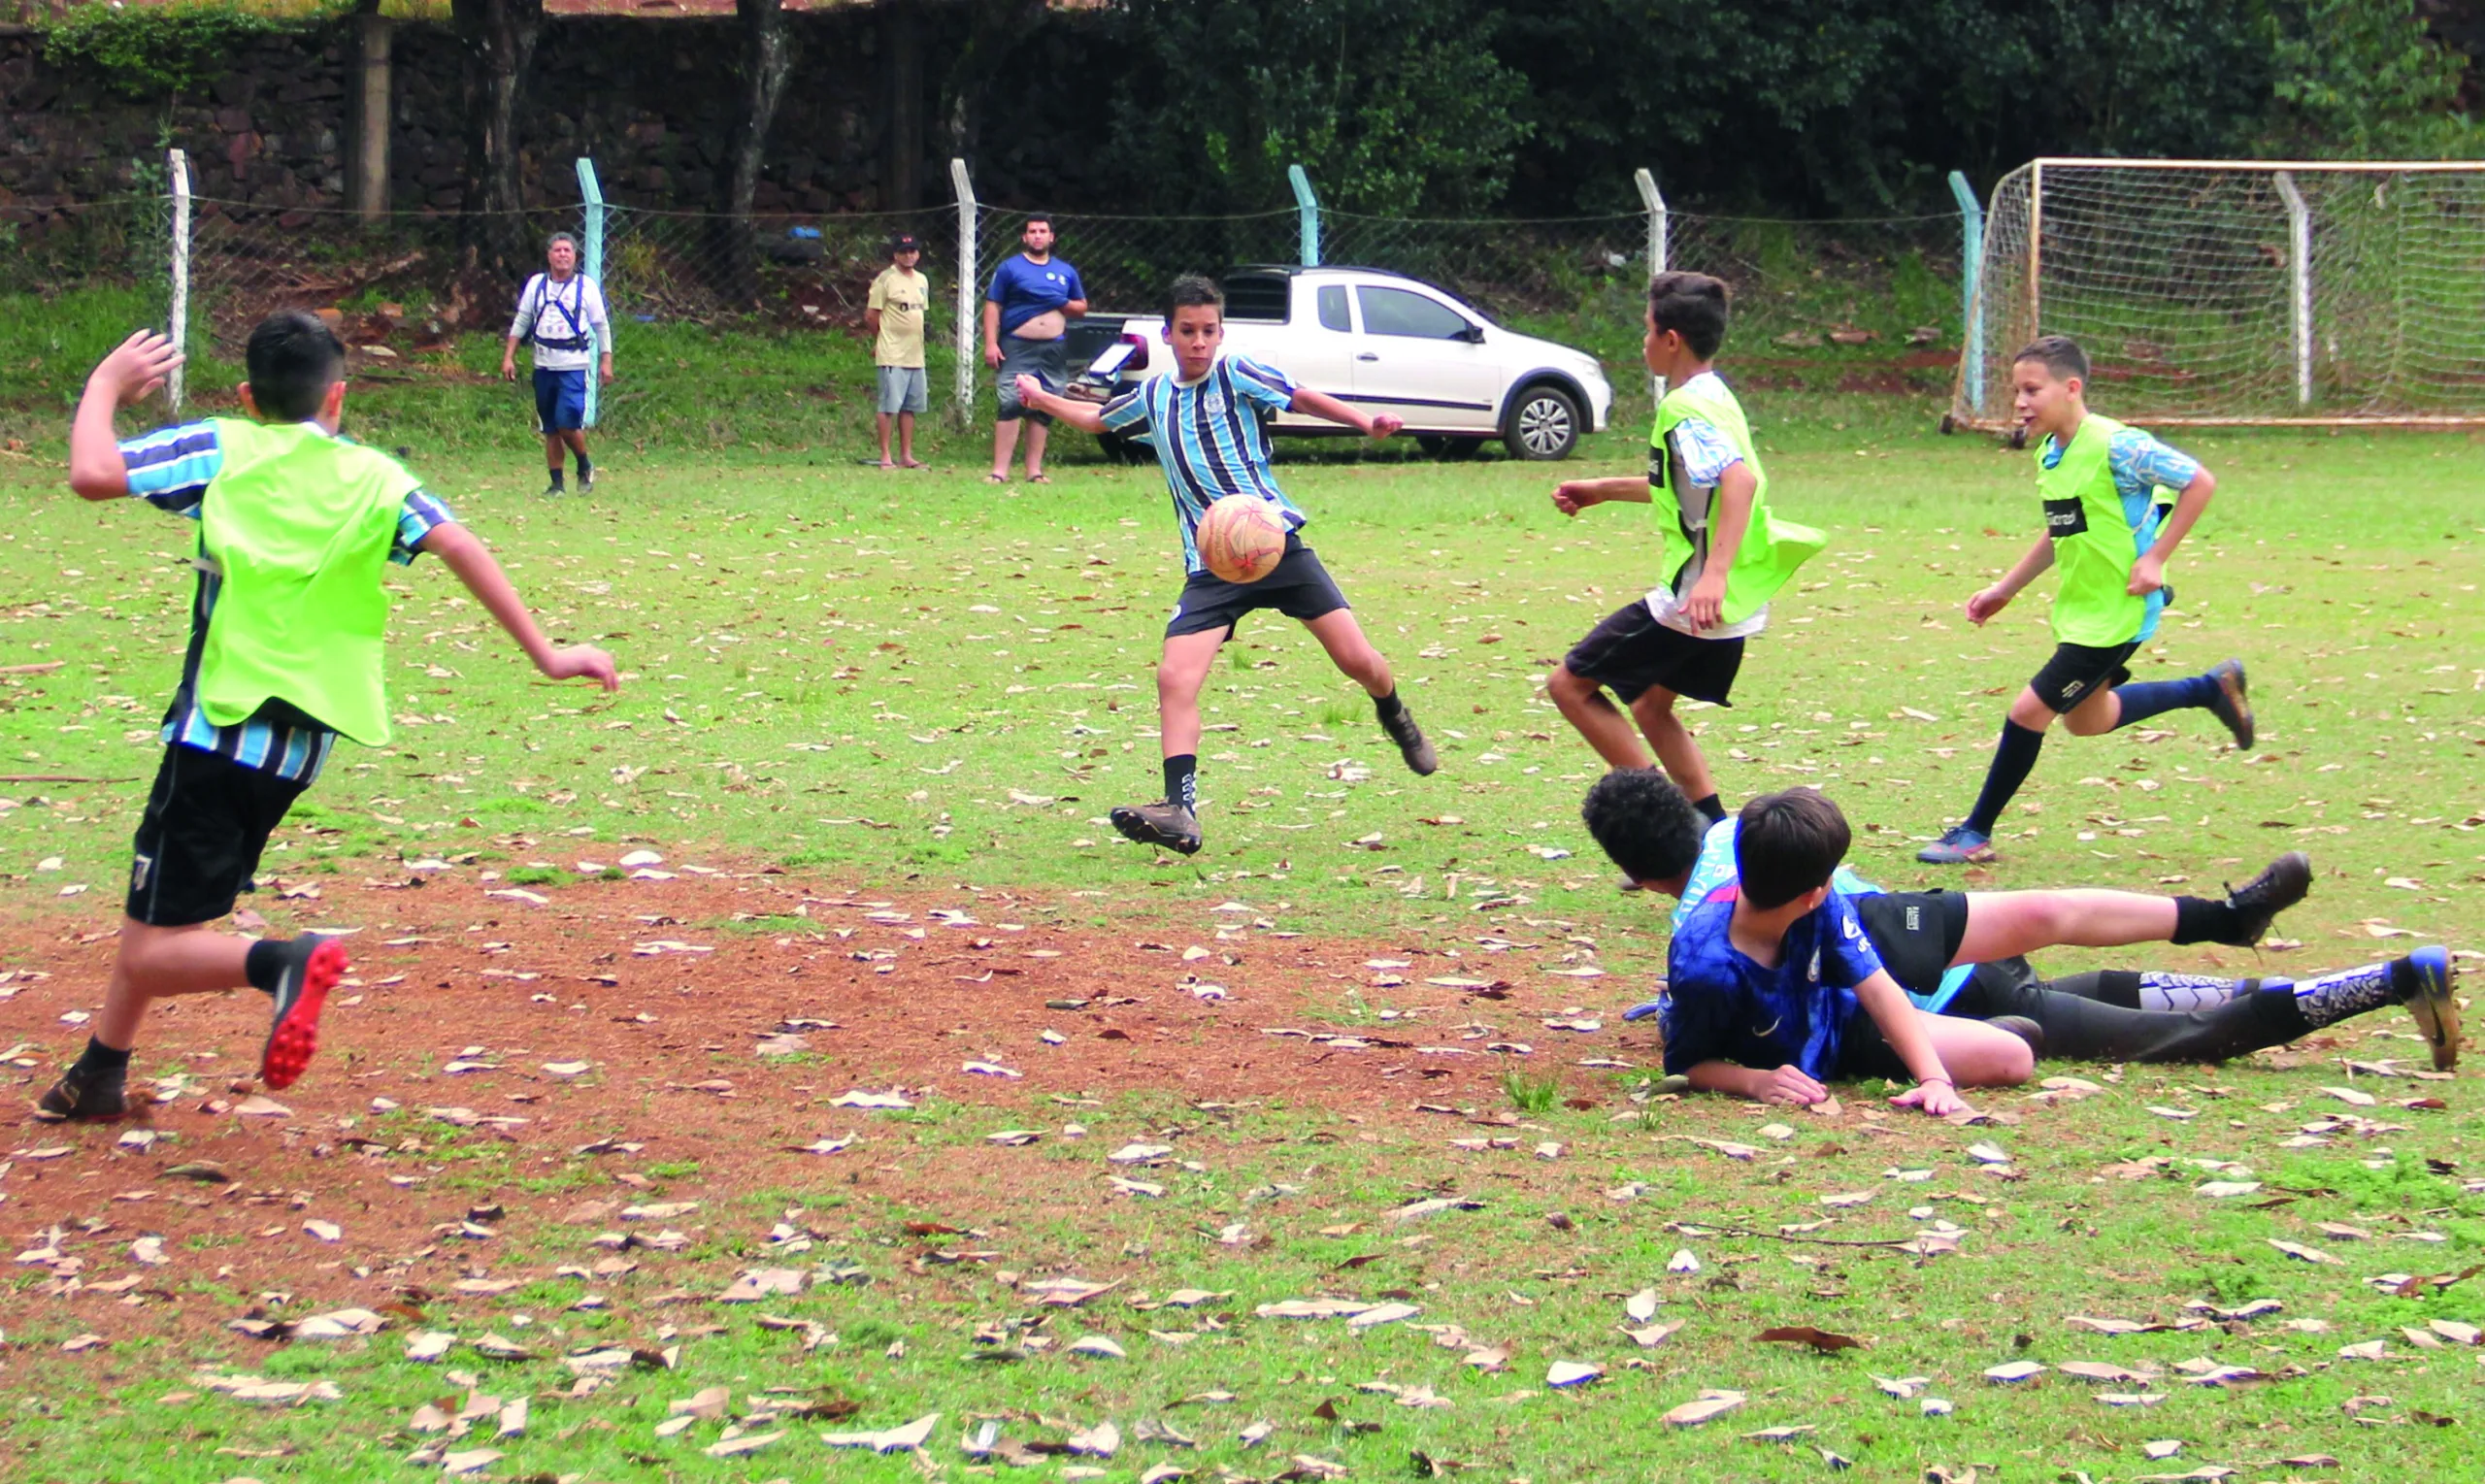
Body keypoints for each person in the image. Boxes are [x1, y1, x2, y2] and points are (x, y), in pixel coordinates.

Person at [35, 316, 620, 1123]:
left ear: (248, 396)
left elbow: (92, 474)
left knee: (153, 943)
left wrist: (105, 385)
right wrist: (547, 652)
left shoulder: (222, 446)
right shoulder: (377, 477)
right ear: (338, 395)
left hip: (218, 729)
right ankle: (99, 1072)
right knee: (159, 911)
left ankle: (283, 961)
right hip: (302, 744)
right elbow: (459, 543)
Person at [1579, 772, 2459, 1103]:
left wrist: (1930, 1071)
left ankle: (2384, 981)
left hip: (1895, 981)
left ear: (1640, 872)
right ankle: (2233, 925)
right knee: (2071, 957)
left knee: (2132, 1023)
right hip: (1910, 936)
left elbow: (1706, 1004)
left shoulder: (1709, 926)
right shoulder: (1742, 834)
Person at [1009, 274, 1436, 857]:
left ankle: (1394, 712)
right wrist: (1040, 398)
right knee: (1173, 677)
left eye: (1209, 330)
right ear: (1168, 334)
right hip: (1212, 563)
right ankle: (1180, 808)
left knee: (1358, 660)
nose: (1200, 342)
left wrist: (1365, 423)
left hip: (1274, 545)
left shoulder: (1237, 373)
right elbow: (1096, 420)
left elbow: (1301, 396)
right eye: (1188, 331)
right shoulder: (1154, 395)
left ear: (1221, 332)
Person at [1919, 335, 2250, 864]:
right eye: (2017, 391)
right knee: (2086, 719)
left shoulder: (2118, 445)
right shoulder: (2052, 455)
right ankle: (2210, 688)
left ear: (2072, 388)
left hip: (2117, 613)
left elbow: (2199, 482)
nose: (2021, 402)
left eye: (2032, 390)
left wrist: (2156, 558)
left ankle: (1975, 832)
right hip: (2083, 609)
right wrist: (2005, 589)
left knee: (2028, 712)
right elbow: (2062, 532)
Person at [1545, 272, 1824, 831]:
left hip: (1695, 602)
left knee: (1569, 687)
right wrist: (1602, 491)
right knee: (1649, 704)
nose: (1642, 342)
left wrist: (1712, 575)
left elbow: (1737, 481)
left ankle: (1669, 825)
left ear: (1671, 340)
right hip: (1737, 600)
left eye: (1647, 331)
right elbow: (1686, 485)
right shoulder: (1715, 394)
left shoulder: (1684, 410)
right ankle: (1715, 834)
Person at [501, 232, 614, 497]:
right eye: (557, 250)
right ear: (549, 255)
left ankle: (584, 464)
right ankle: (556, 483)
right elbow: (522, 320)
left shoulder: (585, 287)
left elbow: (601, 325)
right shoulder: (536, 285)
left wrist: (606, 360)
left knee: (567, 422)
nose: (562, 255)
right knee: (550, 426)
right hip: (543, 365)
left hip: (574, 366)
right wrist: (509, 356)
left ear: (575, 256)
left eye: (568, 250)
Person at [981, 214, 1085, 485]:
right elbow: (993, 306)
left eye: (1042, 231)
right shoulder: (1009, 269)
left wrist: (1058, 301)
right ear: (1024, 237)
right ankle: (999, 471)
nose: (1037, 236)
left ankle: (1034, 471)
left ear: (1052, 237)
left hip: (1053, 347)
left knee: (1045, 404)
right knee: (1010, 402)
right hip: (1017, 344)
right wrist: (991, 343)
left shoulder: (1066, 272)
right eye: (1032, 231)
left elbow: (1081, 307)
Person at [866, 233, 931, 470]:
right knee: (888, 405)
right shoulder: (885, 280)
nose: (908, 255)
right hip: (892, 352)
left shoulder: (922, 280)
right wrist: (881, 339)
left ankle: (906, 454)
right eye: (904, 252)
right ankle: (885, 455)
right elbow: (872, 315)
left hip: (915, 353)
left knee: (910, 406)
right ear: (895, 255)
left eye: (912, 251)